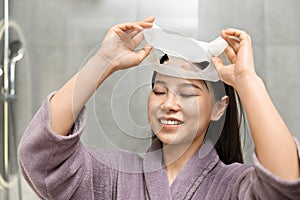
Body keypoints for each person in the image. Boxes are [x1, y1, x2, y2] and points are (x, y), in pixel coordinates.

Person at [18, 16, 300, 199]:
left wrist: (246, 80)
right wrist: (103, 61)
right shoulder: (113, 177)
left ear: (218, 108)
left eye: (187, 93)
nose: (168, 104)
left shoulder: (234, 187)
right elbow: (43, 157)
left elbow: (285, 182)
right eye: (159, 90)